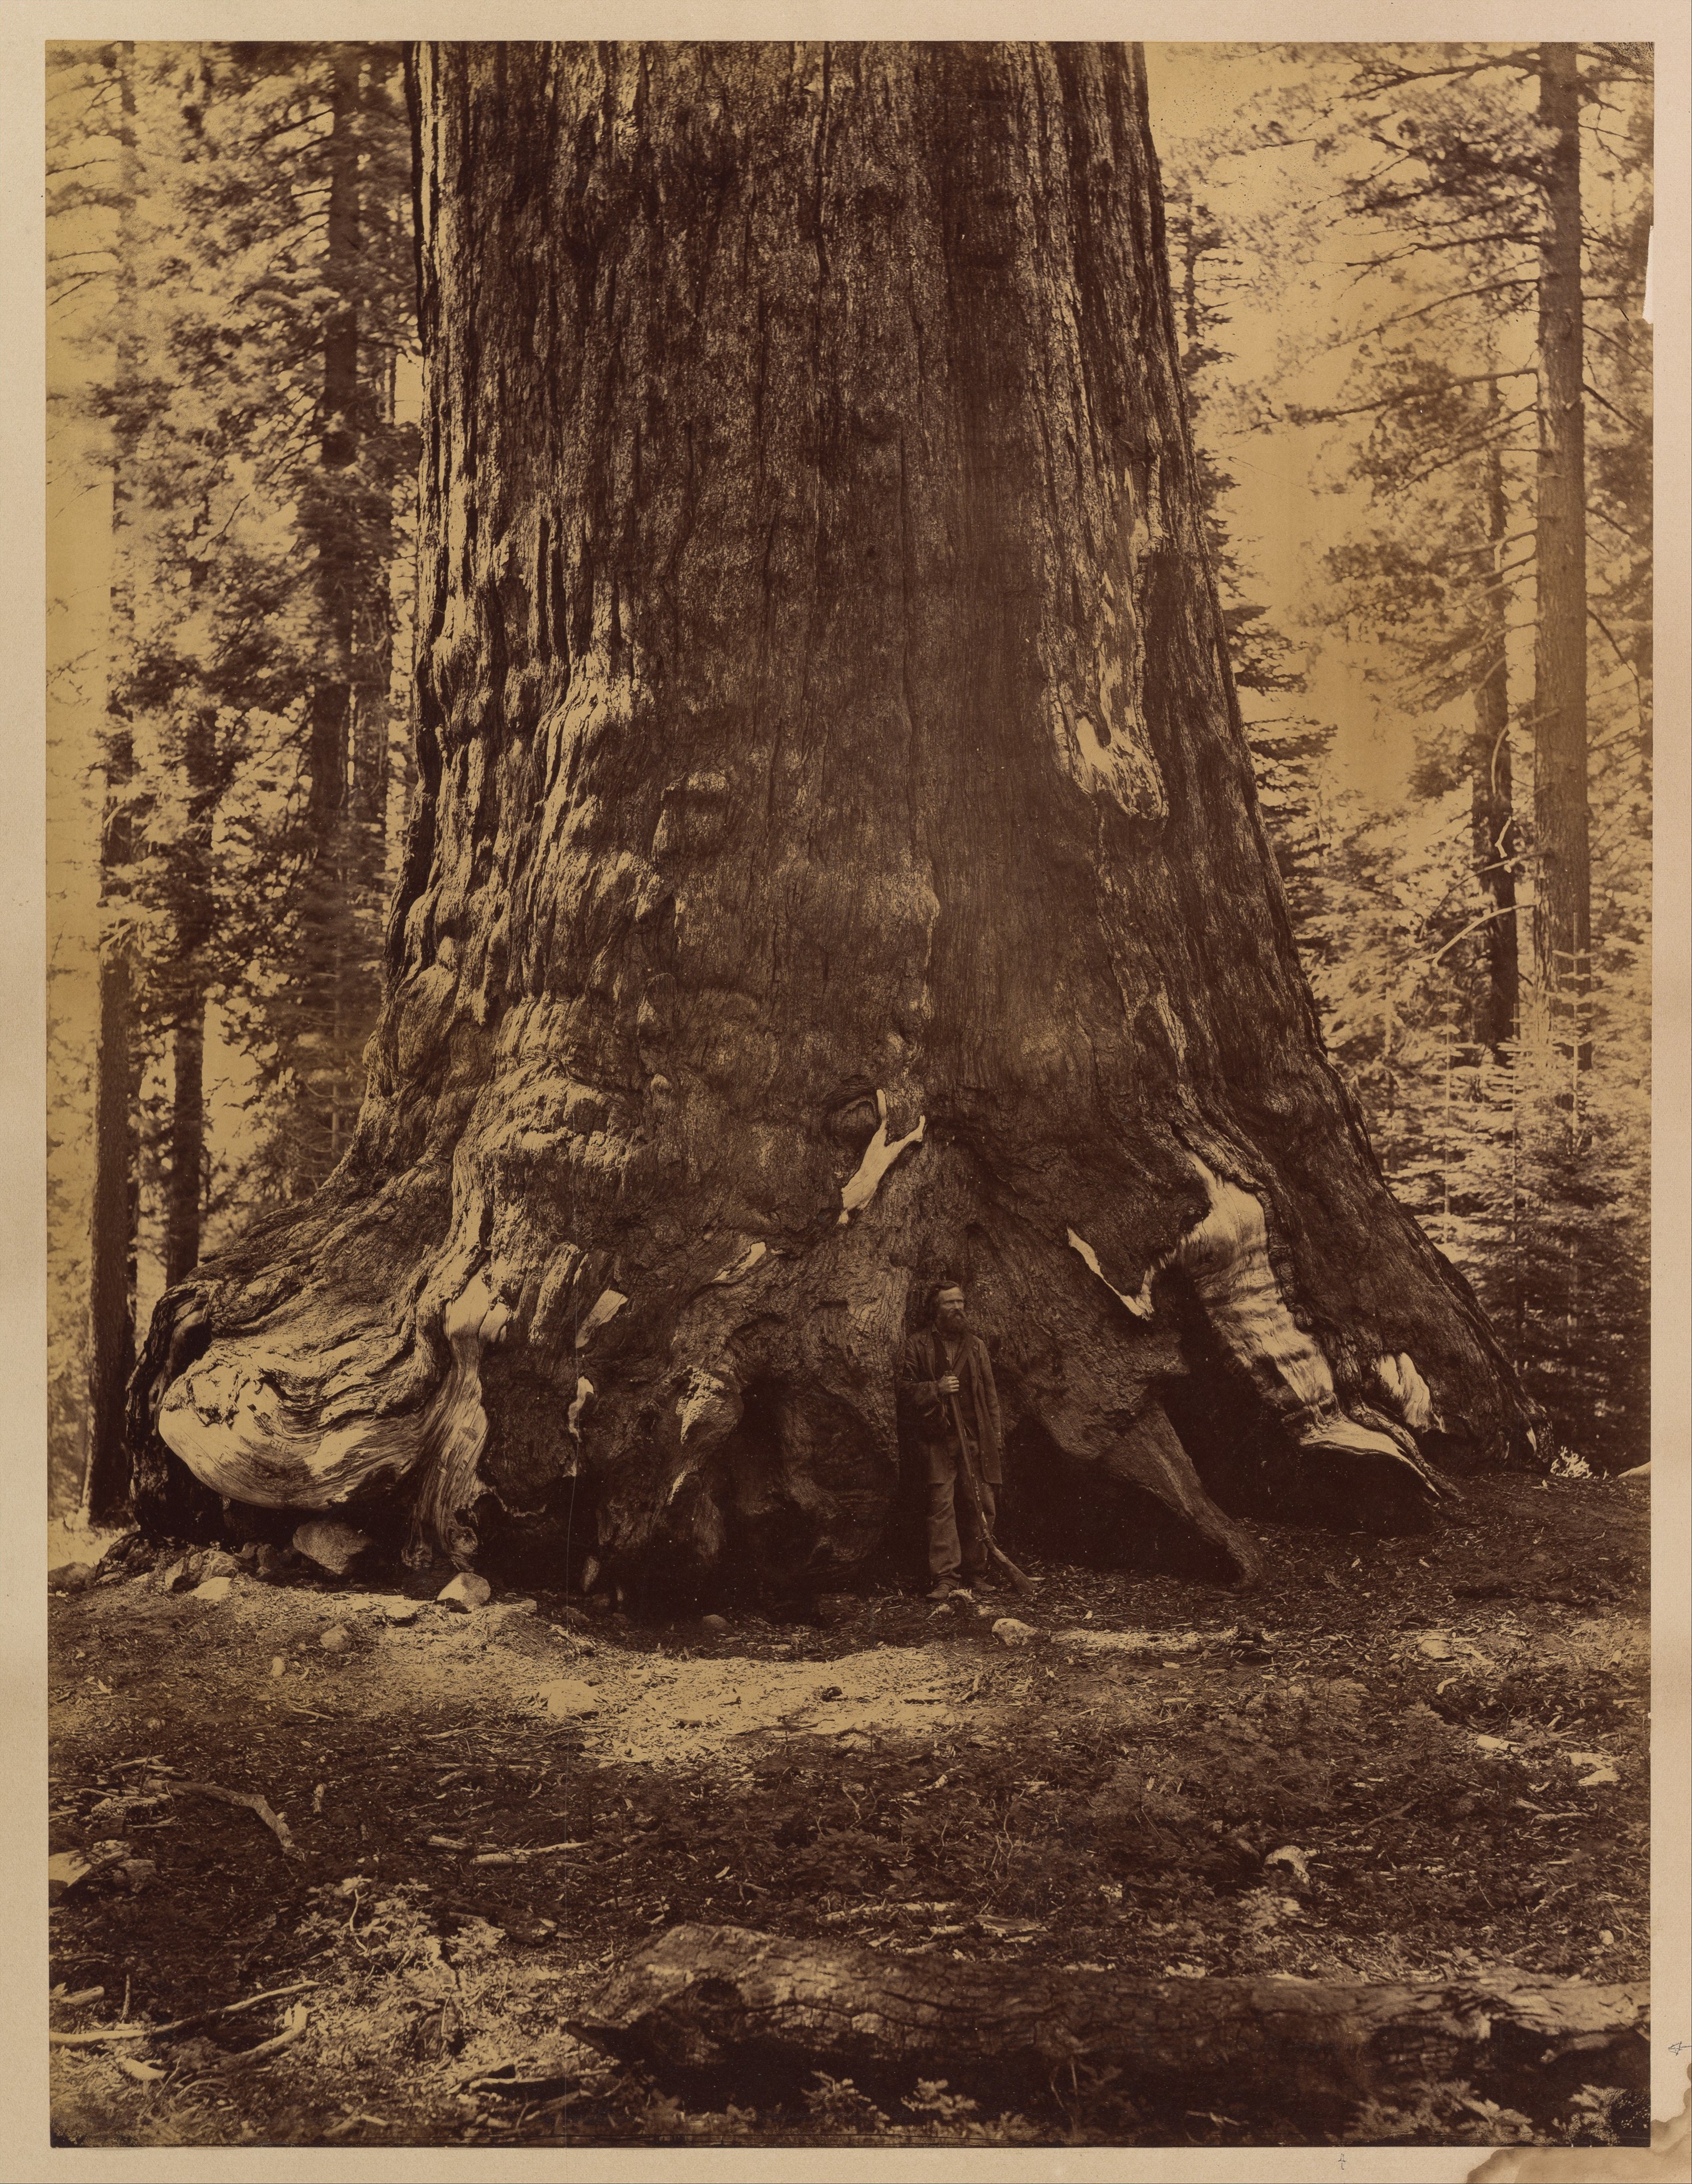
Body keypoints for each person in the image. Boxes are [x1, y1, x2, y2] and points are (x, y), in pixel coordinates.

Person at [897, 1284, 1004, 1600]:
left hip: (975, 1439)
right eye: (950, 1303)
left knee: (982, 1505)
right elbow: (903, 1390)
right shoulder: (917, 1344)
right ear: (936, 1309)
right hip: (938, 1440)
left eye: (961, 1301)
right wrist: (936, 1388)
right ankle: (946, 1579)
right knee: (941, 1507)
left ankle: (978, 1574)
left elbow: (992, 1398)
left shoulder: (976, 1347)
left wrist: (996, 1440)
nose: (958, 1307)